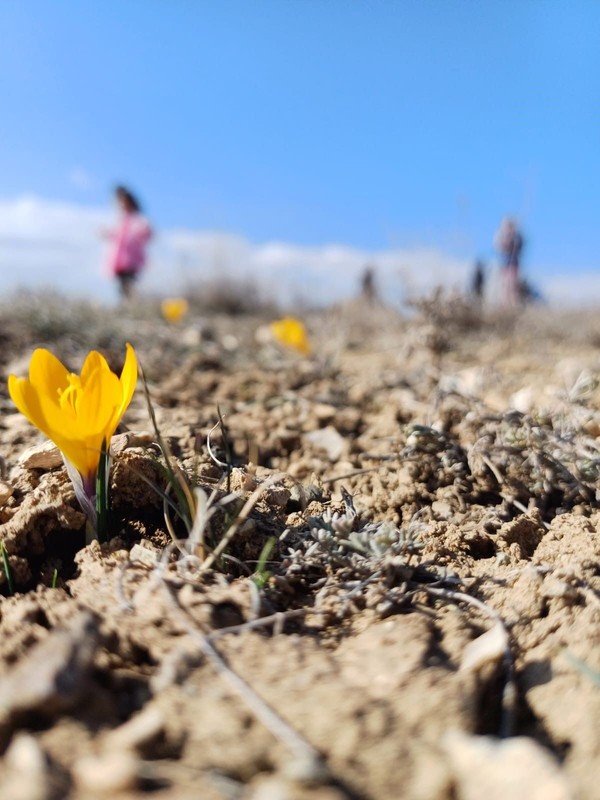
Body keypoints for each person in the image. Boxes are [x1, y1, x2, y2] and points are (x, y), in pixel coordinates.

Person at [102, 186, 152, 300]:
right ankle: (126, 303)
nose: (123, 205)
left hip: (132, 259)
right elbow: (114, 234)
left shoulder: (138, 219)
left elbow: (146, 232)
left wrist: (145, 232)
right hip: (119, 259)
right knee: (121, 284)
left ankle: (131, 302)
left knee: (130, 282)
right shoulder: (119, 219)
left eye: (125, 202)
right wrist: (106, 233)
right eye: (121, 202)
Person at [494, 217, 524, 306]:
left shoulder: (517, 237)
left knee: (513, 284)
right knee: (504, 285)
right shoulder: (501, 235)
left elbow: (520, 246)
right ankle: (504, 304)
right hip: (504, 264)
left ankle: (513, 303)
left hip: (513, 264)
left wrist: (514, 242)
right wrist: (506, 242)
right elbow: (499, 246)